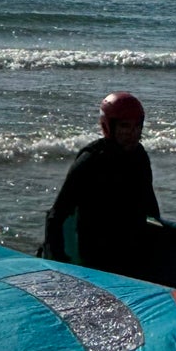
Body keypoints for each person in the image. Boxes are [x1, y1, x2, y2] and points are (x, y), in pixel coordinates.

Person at [41, 91, 161, 276]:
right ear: (108, 127)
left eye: (137, 126)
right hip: (96, 255)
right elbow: (58, 215)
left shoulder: (139, 156)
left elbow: (150, 205)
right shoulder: (91, 160)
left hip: (131, 249)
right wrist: (59, 262)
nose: (133, 133)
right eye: (125, 126)